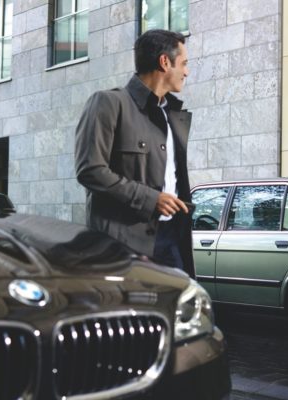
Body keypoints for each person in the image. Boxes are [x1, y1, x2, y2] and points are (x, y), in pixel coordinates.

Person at [75, 29, 195, 277]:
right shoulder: (108, 103)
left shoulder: (172, 115)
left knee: (180, 302)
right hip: (123, 246)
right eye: (184, 63)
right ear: (164, 62)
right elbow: (90, 170)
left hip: (171, 240)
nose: (187, 72)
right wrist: (151, 199)